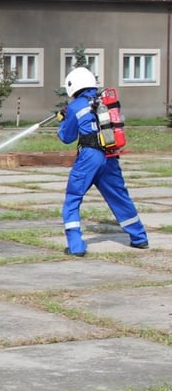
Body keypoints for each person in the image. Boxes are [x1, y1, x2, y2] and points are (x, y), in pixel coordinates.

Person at [57, 67, 149, 256]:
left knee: (73, 198)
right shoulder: (103, 101)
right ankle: (140, 238)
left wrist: (64, 119)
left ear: (73, 86)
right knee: (119, 197)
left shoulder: (75, 106)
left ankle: (76, 246)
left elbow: (66, 137)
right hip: (110, 156)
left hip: (89, 157)